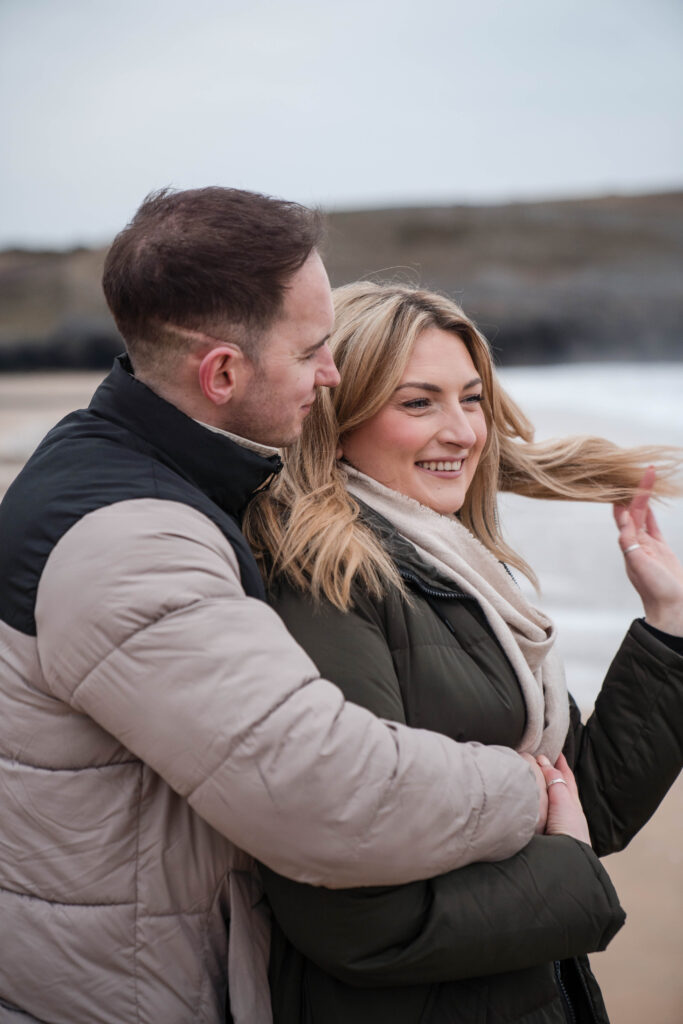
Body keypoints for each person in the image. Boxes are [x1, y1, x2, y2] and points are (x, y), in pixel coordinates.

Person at [0, 190, 554, 1024]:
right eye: (312, 351)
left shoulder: (130, 470)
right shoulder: (134, 545)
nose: (330, 375)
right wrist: (529, 790)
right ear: (222, 372)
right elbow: (326, 796)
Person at [244, 280, 683, 1024]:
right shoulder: (324, 585)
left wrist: (666, 623)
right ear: (338, 416)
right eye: (418, 403)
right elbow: (355, 922)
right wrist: (568, 879)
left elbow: (589, 804)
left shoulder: (458, 575)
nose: (462, 432)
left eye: (471, 399)